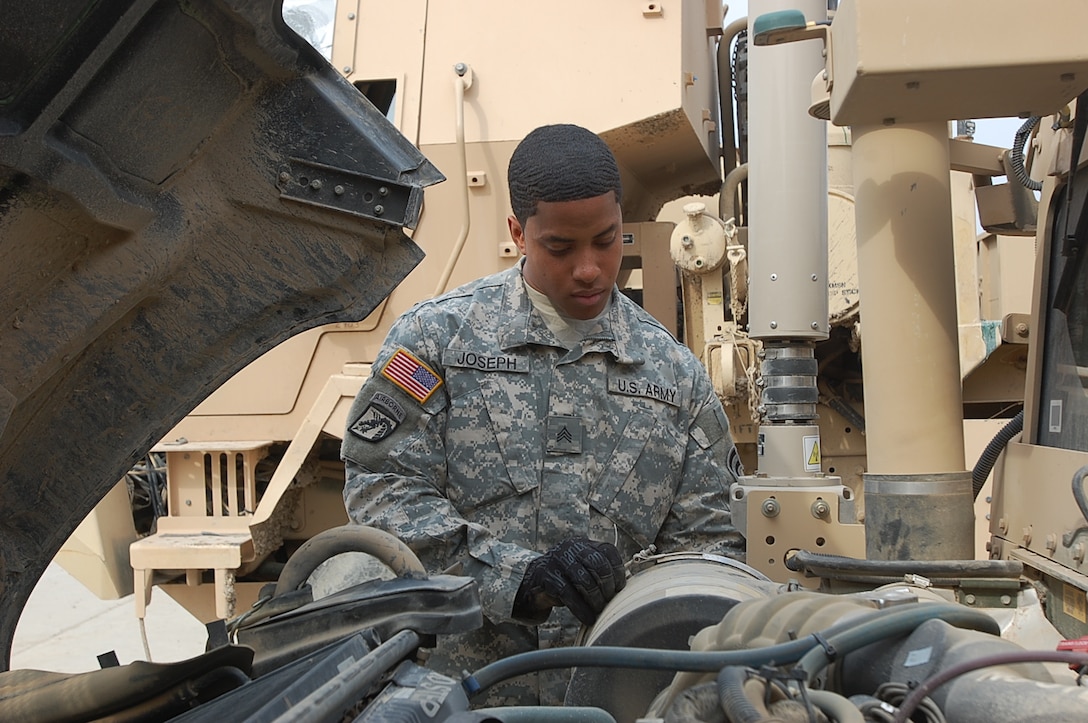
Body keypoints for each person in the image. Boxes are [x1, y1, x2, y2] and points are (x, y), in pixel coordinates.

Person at [342, 123, 744, 705]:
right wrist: (515, 579)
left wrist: (635, 587)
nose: (589, 268)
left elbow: (709, 545)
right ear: (517, 233)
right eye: (560, 247)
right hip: (464, 697)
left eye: (607, 240)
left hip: (615, 699)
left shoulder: (673, 374)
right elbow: (382, 490)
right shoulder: (438, 341)